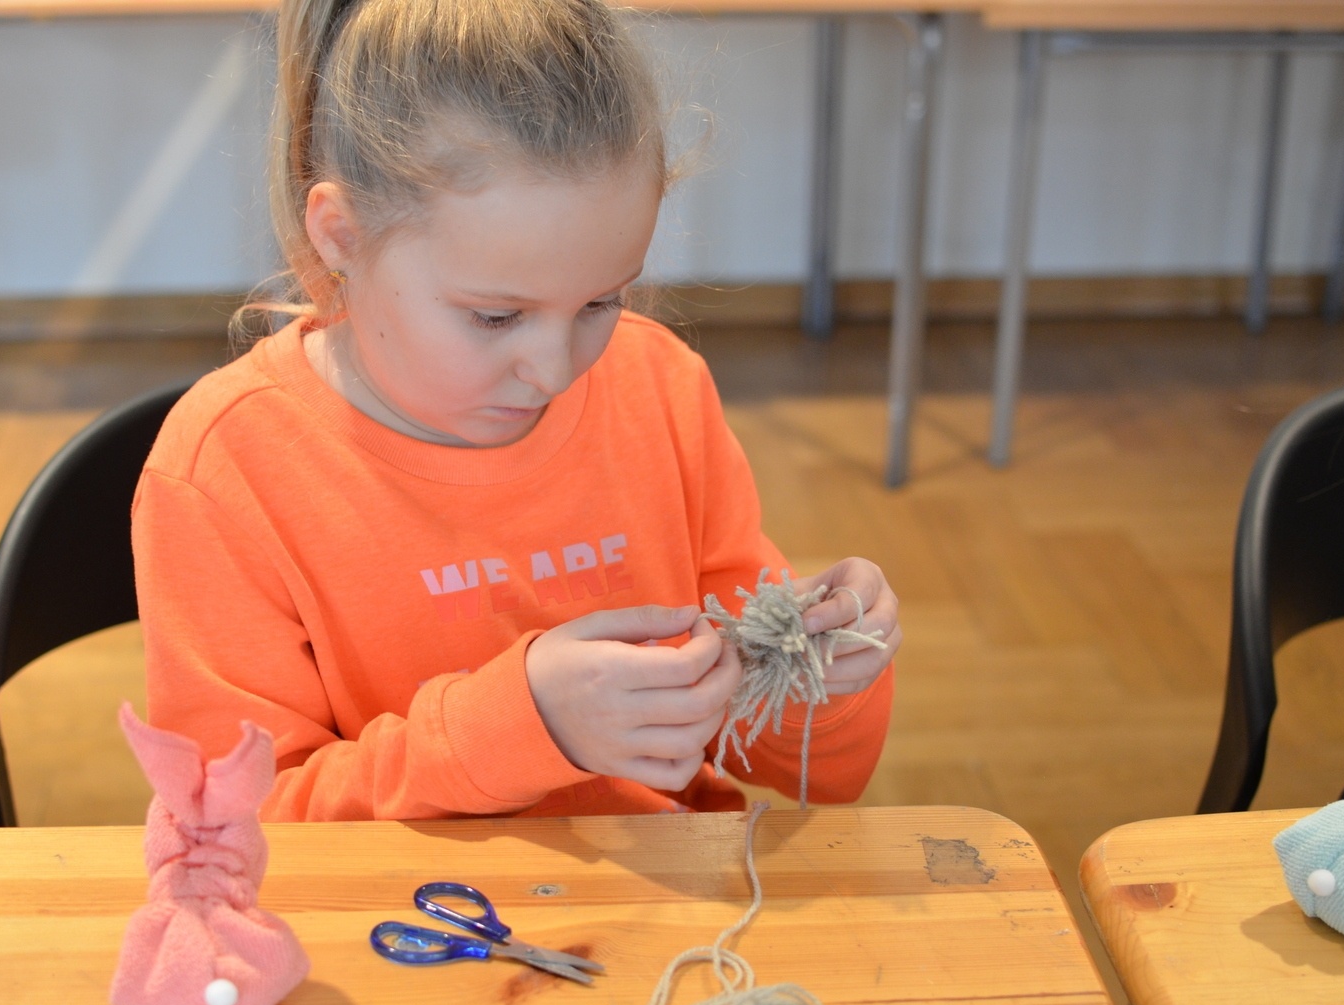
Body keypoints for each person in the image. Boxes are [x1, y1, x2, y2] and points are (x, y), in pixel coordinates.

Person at [131, 0, 901, 821]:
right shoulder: (228, 469)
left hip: (665, 917)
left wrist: (819, 671)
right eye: (496, 317)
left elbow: (805, 765)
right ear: (341, 235)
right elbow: (231, 829)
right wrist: (520, 728)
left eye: (603, 300)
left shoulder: (657, 385)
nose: (554, 368)